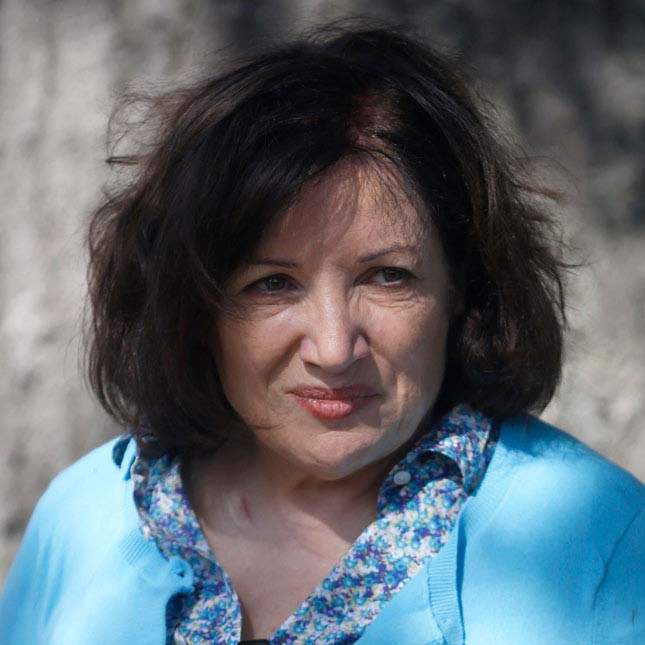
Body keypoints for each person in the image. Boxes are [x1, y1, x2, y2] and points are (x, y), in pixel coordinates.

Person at [1, 19, 643, 645]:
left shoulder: (602, 538)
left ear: (462, 288)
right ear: (194, 306)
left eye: (387, 277)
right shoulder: (81, 518)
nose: (334, 350)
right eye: (272, 284)